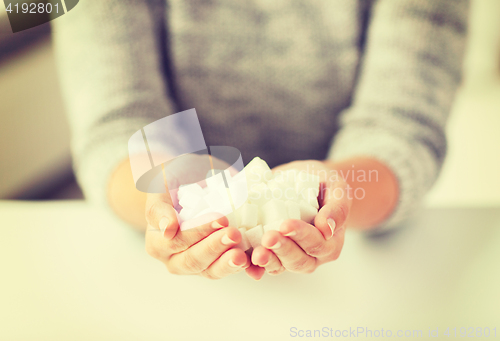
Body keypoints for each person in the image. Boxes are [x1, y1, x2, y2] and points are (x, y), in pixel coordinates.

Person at [52, 0, 469, 280]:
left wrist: (337, 194)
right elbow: (118, 122)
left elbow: (402, 125)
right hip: (148, 276)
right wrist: (160, 195)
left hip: (368, 265)